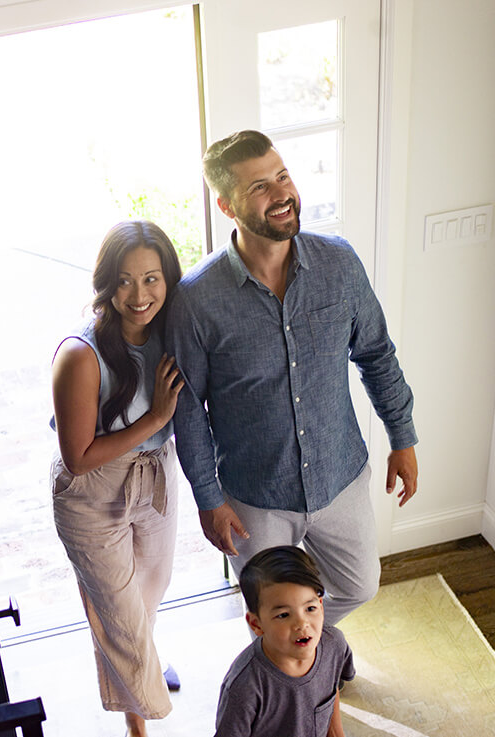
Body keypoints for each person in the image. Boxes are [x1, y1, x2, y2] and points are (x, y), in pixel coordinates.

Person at [166, 129, 418, 624]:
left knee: (360, 585)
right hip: (254, 496)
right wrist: (208, 500)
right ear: (226, 205)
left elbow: (376, 354)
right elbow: (188, 409)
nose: (282, 194)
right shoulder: (196, 300)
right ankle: (280, 667)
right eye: (259, 186)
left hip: (339, 475)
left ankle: (306, 651)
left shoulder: (339, 264)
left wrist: (402, 437)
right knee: (270, 615)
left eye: (282, 176)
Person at [50, 219, 185, 737]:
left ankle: (137, 688)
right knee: (121, 619)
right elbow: (78, 457)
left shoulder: (172, 333)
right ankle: (143, 717)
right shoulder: (79, 355)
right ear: (106, 282)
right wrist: (155, 418)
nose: (139, 295)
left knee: (146, 600)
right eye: (125, 281)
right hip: (93, 492)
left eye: (151, 279)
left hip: (155, 474)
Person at [214, 546, 355, 737]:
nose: (302, 624)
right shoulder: (244, 688)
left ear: (321, 606)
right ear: (256, 624)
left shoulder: (334, 645)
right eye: (283, 615)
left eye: (310, 608)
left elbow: (331, 692)